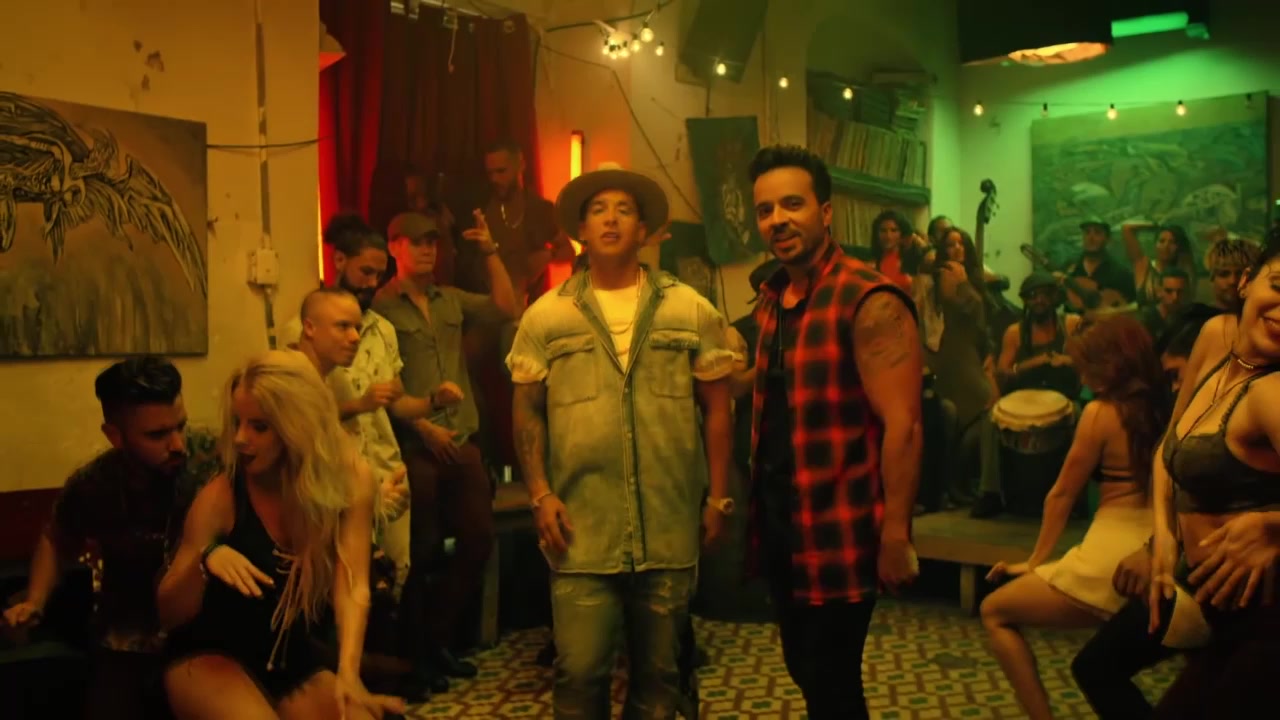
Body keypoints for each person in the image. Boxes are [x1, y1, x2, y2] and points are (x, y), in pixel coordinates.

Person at [507, 162, 734, 719]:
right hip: (580, 530)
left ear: (644, 230)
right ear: (581, 230)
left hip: (668, 521)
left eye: (624, 210)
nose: (610, 219)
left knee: (660, 677)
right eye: (598, 210)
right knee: (580, 672)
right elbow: (526, 411)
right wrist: (539, 493)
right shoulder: (546, 316)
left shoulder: (689, 308)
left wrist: (717, 497)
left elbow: (718, 408)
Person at [747, 144, 922, 720]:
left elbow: (904, 425)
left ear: (825, 212)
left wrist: (895, 534)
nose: (778, 220)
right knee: (807, 671)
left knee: (831, 683)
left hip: (841, 529)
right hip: (782, 526)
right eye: (766, 210)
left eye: (792, 205)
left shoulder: (868, 298)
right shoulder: (773, 299)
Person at [157, 351, 403, 720]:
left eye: (259, 427)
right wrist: (205, 560)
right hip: (209, 653)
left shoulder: (351, 479)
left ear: (297, 426)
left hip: (286, 655)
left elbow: (353, 586)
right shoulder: (223, 495)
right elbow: (168, 614)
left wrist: (349, 674)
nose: (240, 438)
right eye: (237, 422)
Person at [1, 357, 219, 720]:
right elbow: (57, 537)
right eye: (157, 435)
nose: (178, 444)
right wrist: (35, 600)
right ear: (115, 435)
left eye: (180, 426)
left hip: (206, 632)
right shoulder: (96, 483)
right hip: (125, 638)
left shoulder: (215, 458)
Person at [979, 315, 1169, 720]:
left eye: (1086, 366)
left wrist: (1034, 561)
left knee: (994, 611)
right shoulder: (1171, 406)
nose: (1082, 376)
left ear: (1111, 362)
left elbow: (1062, 494)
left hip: (1109, 559)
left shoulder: (1100, 413)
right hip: (1160, 549)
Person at [375, 209, 516, 695]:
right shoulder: (381, 309)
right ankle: (413, 656)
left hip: (461, 437)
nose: (426, 250)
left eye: (432, 242)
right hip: (414, 444)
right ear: (394, 247)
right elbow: (380, 384)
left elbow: (506, 306)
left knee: (478, 539)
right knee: (422, 550)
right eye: (416, 242)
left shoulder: (450, 298)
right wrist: (422, 426)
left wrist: (490, 251)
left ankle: (436, 641)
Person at [1141, 239, 1280, 717]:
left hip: (1265, 624)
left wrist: (1274, 527)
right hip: (1216, 613)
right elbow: (1169, 444)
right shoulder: (1218, 344)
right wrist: (1163, 536)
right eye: (1278, 286)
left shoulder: (1271, 393)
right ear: (1246, 282)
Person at [972, 272, 1083, 518]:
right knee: (990, 420)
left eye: (1044, 295)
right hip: (1021, 398)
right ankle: (989, 492)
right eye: (1033, 296)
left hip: (1061, 398)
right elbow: (1002, 372)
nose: (1039, 300)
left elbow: (1085, 362)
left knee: (1081, 416)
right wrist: (1034, 363)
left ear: (1054, 298)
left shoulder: (1069, 325)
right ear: (1025, 300)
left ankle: (1074, 495)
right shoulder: (1015, 332)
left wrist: (1065, 360)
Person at [1063, 221, 1137, 314]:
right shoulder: (1070, 266)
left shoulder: (1120, 272)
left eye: (1097, 233)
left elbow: (1137, 304)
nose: (1091, 237)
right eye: (1087, 232)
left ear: (1107, 239)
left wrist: (1113, 311)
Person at [1121, 222, 1196, 307]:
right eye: (1161, 241)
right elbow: (1127, 228)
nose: (1166, 246)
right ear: (1155, 244)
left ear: (1179, 247)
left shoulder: (1184, 271)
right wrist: (1155, 226)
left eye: (1172, 242)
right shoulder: (1144, 267)